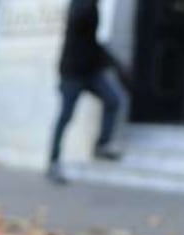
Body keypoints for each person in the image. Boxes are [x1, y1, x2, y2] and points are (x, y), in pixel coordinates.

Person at [47, 0, 131, 185]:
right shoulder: (80, 6)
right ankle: (53, 161)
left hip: (90, 72)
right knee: (65, 116)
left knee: (113, 100)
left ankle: (101, 144)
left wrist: (115, 65)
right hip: (72, 73)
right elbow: (78, 25)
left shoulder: (93, 6)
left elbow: (92, 43)